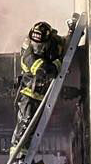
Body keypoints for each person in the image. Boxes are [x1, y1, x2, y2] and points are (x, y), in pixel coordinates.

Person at [10, 21, 67, 154]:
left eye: (40, 45)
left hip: (43, 94)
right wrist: (57, 64)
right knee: (26, 119)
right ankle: (17, 151)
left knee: (34, 126)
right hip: (29, 93)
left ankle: (23, 150)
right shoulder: (28, 55)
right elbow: (45, 71)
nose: (37, 48)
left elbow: (64, 44)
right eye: (35, 44)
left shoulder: (54, 42)